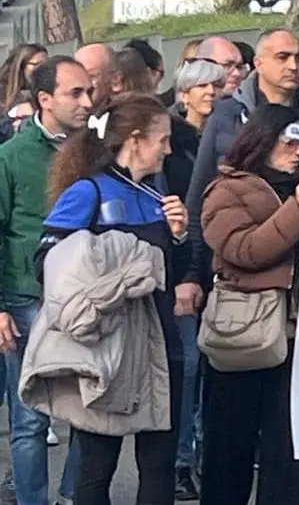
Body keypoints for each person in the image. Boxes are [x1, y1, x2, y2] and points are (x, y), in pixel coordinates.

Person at [30, 93, 189, 505]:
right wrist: (119, 271)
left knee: (159, 466)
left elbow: (169, 275)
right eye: (163, 140)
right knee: (96, 468)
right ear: (135, 140)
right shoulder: (87, 191)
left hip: (160, 342)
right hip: (108, 346)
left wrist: (180, 237)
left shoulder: (158, 194)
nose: (168, 150)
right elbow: (48, 262)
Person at [197, 104, 299, 505]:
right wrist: (297, 210)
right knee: (229, 449)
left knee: (295, 451)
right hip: (245, 337)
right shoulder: (227, 188)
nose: (298, 151)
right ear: (263, 139)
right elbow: (244, 249)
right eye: (290, 141)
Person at [181, 30, 299, 340]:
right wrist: (190, 274)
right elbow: (198, 194)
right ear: (258, 63)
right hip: (244, 286)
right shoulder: (227, 115)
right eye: (282, 57)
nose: (293, 66)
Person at [0, 56, 93, 505]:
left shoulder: (97, 150)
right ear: (44, 99)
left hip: (86, 298)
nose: (87, 102)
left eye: (89, 91)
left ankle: (73, 496)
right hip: (26, 297)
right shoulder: (12, 156)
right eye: (75, 93)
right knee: (30, 419)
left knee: (86, 412)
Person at [165, 59, 226, 498]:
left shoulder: (228, 138)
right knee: (188, 368)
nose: (211, 91)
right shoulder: (172, 144)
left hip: (223, 266)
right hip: (187, 265)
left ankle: (209, 451)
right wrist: (187, 271)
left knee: (215, 365)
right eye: (202, 85)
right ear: (183, 93)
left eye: (217, 85)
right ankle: (180, 461)